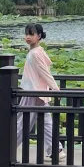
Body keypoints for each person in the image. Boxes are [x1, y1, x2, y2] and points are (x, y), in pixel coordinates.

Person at [20, 22, 59, 158]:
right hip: (39, 92)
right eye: (26, 34)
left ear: (39, 36)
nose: (28, 37)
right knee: (46, 122)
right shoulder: (38, 51)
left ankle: (5, 149)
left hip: (32, 92)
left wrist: (54, 88)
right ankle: (56, 150)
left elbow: (44, 72)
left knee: (22, 121)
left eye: (31, 34)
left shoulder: (35, 54)